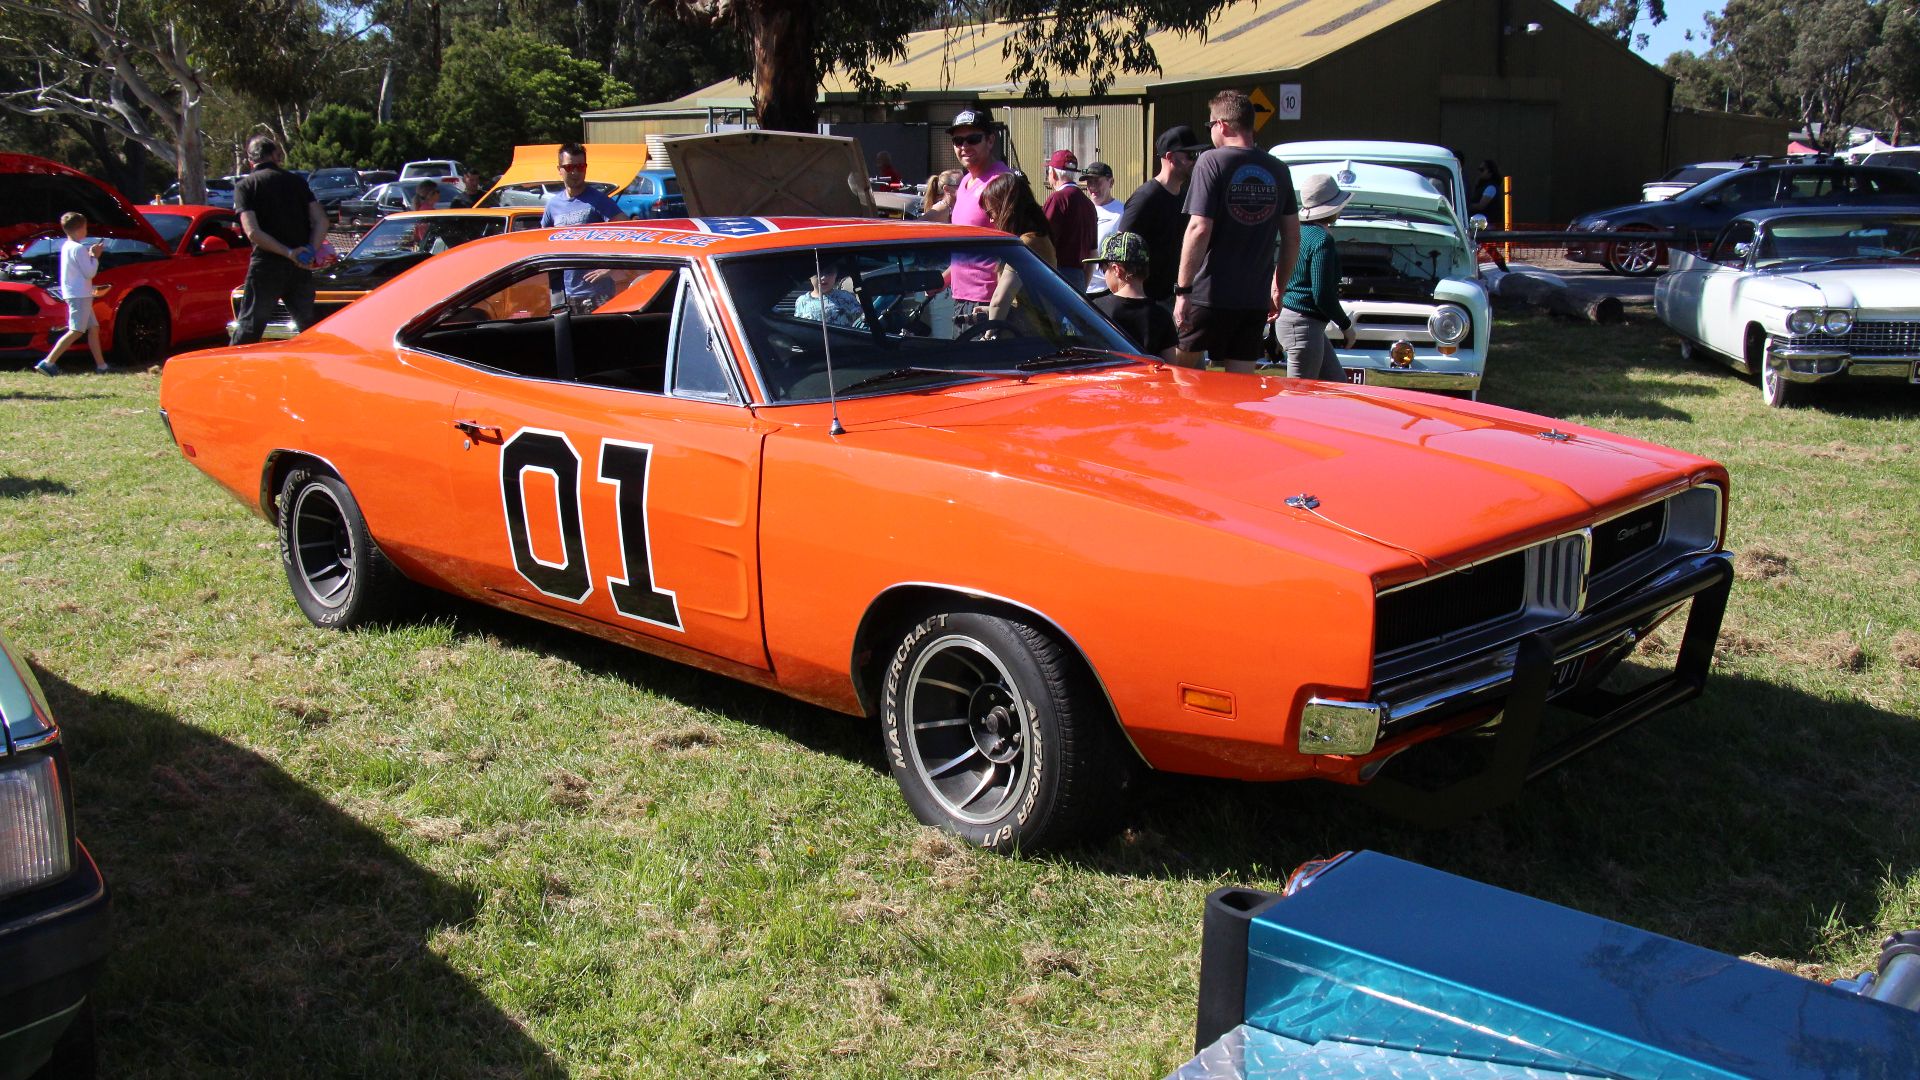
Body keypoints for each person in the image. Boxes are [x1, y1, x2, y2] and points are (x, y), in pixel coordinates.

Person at [1173, 90, 1300, 373]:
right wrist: (1278, 288)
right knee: (1240, 387)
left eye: (1210, 125)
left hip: (1208, 295)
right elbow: (1292, 237)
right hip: (1253, 299)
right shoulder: (1279, 169)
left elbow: (1199, 228)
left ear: (1222, 125)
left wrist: (1183, 291)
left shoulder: (1211, 161)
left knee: (1181, 378)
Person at [231, 135, 331, 345]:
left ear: (250, 160)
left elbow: (253, 232)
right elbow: (321, 221)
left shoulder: (246, 186)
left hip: (267, 265)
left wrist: (288, 252)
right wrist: (308, 251)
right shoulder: (297, 182)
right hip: (301, 265)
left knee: (249, 327)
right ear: (276, 155)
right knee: (309, 328)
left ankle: (232, 366)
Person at [1273, 174, 1353, 381]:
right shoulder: (1322, 240)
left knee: (1336, 384)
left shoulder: (1298, 232)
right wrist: (1346, 326)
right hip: (1303, 326)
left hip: (1295, 322)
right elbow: (1322, 294)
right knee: (1300, 393)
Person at [1118, 125, 1209, 306]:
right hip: (1148, 300)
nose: (1194, 161)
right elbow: (1121, 247)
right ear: (1170, 157)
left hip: (1176, 296)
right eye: (1190, 155)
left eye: (1197, 155)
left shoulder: (1186, 197)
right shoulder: (1146, 197)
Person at [945, 107, 1013, 331]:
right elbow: (968, 249)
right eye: (958, 140)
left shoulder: (1001, 183)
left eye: (973, 139)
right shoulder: (965, 182)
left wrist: (997, 308)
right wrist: (942, 279)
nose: (964, 146)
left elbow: (1015, 249)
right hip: (960, 299)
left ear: (990, 140)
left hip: (986, 303)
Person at [541, 142, 628, 311]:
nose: (575, 172)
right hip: (565, 294)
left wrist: (610, 267)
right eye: (569, 167)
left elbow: (630, 233)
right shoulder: (552, 205)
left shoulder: (599, 200)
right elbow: (544, 244)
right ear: (559, 169)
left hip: (598, 293)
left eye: (580, 167)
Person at [33, 212, 110, 375]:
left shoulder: (67, 246)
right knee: (76, 330)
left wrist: (90, 256)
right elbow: (89, 272)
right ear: (80, 229)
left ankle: (102, 365)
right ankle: (48, 362)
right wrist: (95, 257)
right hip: (80, 295)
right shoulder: (78, 248)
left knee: (93, 328)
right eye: (85, 228)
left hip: (77, 293)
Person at [1085, 232, 1177, 362]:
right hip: (1145, 376)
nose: (1104, 275)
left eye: (1103, 270)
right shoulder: (1162, 315)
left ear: (1117, 270)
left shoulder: (1096, 309)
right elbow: (1170, 364)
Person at [980, 171, 1056, 323]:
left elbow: (1000, 299)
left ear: (1005, 208)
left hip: (1031, 332)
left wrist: (989, 333)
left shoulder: (1028, 243)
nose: (991, 219)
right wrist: (990, 311)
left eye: (990, 212)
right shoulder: (1037, 238)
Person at [1041, 149, 1096, 286]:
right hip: (1079, 276)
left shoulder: (1057, 199)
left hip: (1056, 275)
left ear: (1053, 173)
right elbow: (1093, 252)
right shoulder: (1089, 204)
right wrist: (1083, 285)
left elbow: (1042, 240)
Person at [1079, 161, 1124, 294]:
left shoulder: (1122, 212)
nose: (1092, 187)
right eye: (1089, 182)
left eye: (1097, 181)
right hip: (1080, 284)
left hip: (1107, 288)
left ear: (1111, 182)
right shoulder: (1081, 209)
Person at [796, 267, 862, 327]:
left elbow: (860, 320)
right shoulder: (802, 300)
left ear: (836, 274)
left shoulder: (846, 297)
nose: (823, 277)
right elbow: (799, 327)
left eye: (829, 272)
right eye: (818, 273)